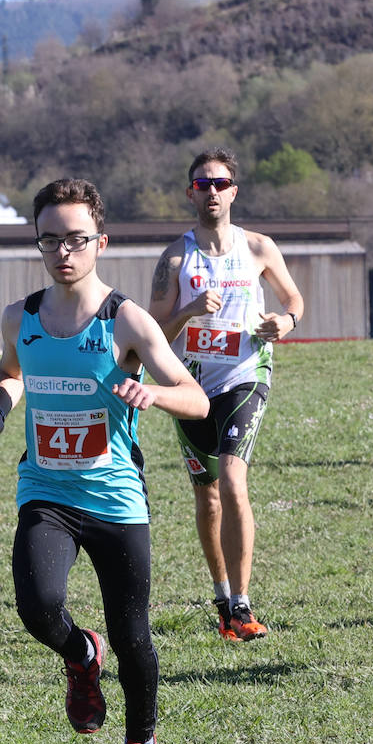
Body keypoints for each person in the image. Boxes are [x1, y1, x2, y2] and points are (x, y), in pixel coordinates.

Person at [0, 178, 208, 744]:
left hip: (115, 500)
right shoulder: (18, 316)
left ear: (99, 241)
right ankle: (80, 655)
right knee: (37, 604)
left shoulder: (125, 320)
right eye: (49, 240)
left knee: (133, 636)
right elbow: (9, 371)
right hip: (46, 493)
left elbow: (198, 399)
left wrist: (153, 392)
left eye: (75, 239)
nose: (63, 252)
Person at [147, 148, 305, 641]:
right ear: (190, 193)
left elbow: (293, 299)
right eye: (201, 184)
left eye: (219, 183)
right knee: (208, 496)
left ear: (233, 191)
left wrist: (287, 321)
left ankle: (243, 602)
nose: (211, 192)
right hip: (190, 385)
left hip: (245, 373)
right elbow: (153, 331)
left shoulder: (258, 247)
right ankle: (222, 602)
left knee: (234, 481)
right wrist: (188, 310)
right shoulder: (175, 257)